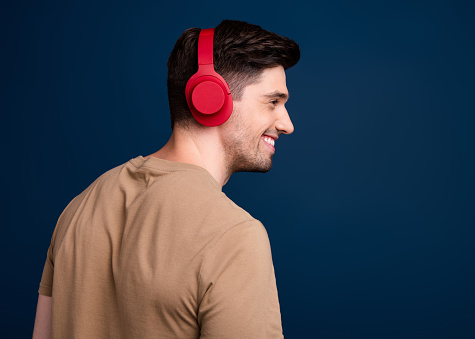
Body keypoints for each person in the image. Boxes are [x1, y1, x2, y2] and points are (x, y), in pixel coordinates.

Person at [33, 19, 300, 339]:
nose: (286, 124)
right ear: (212, 99)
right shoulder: (234, 236)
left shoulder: (78, 209)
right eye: (273, 101)